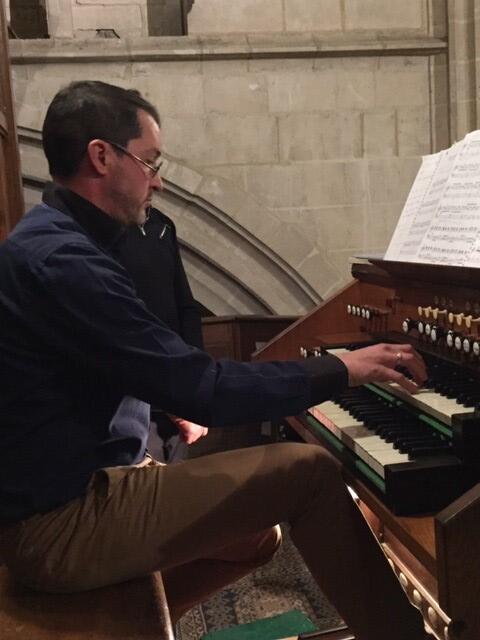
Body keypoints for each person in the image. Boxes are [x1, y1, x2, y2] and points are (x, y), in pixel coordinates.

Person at [0, 81, 430, 640]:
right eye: (149, 161)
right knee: (310, 473)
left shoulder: (55, 237)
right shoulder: (64, 260)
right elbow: (205, 388)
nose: (156, 180)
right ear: (102, 157)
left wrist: (165, 393)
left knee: (257, 536)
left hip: (75, 487)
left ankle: (148, 626)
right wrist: (345, 369)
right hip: (59, 523)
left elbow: (110, 368)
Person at [113, 206, 208, 462]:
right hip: (137, 397)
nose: (157, 183)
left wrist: (195, 380)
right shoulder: (104, 231)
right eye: (148, 167)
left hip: (175, 386)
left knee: (177, 487)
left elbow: (186, 306)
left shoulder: (163, 224)